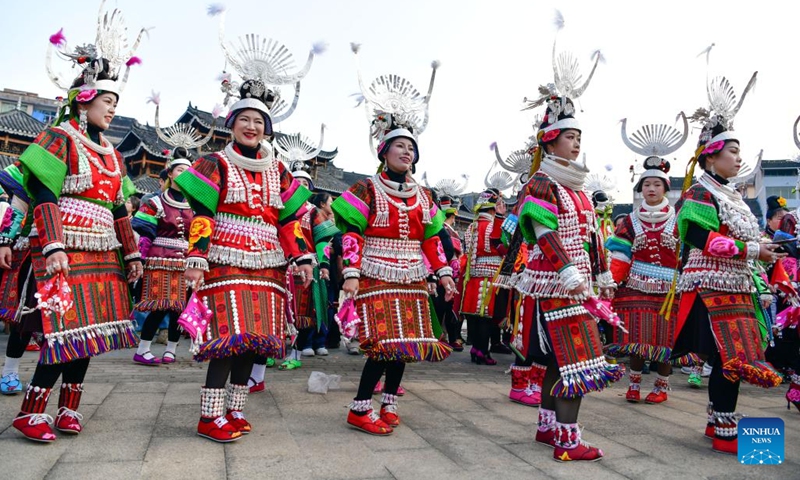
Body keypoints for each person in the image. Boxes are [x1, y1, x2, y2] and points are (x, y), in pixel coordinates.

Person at [11, 8, 146, 442]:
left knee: (89, 334)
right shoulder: (59, 137)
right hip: (64, 247)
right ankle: (31, 411)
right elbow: (45, 194)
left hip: (103, 249)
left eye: (115, 104)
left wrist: (132, 255)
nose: (112, 110)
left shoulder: (112, 153)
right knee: (60, 330)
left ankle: (69, 408)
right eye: (108, 102)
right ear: (84, 100)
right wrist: (52, 247)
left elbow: (120, 208)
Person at [512, 21, 621, 461]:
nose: (576, 144)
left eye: (579, 137)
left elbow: (591, 236)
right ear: (550, 139)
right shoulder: (542, 182)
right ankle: (567, 438)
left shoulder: (576, 188)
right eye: (570, 137)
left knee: (561, 359)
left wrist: (601, 273)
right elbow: (543, 231)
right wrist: (570, 271)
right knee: (573, 360)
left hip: (576, 283)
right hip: (556, 283)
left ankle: (547, 429)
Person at [334, 46, 453, 435]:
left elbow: (432, 239)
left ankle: (389, 403)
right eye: (400, 146)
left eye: (412, 148)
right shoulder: (365, 189)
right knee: (383, 344)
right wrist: (351, 272)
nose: (407, 151)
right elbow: (350, 232)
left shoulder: (424, 196)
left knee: (406, 345)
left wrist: (444, 273)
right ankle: (359, 407)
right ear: (383, 151)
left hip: (413, 276)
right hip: (376, 272)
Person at [672, 54, 782, 454]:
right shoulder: (700, 192)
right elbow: (704, 240)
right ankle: (725, 433)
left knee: (730, 359)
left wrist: (760, 264)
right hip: (710, 287)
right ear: (711, 155)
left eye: (739, 151)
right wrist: (754, 250)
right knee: (728, 358)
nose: (739, 158)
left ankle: (719, 424)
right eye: (732, 151)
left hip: (736, 286)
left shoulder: (732, 195)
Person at [606, 113, 688, 405]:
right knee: (637, 341)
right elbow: (619, 256)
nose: (651, 189)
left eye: (657, 184)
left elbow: (689, 254)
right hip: (635, 285)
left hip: (669, 290)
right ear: (640, 190)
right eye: (646, 185)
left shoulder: (680, 219)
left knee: (665, 340)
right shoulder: (628, 220)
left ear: (666, 188)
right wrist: (610, 283)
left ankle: (662, 386)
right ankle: (634, 384)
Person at [130, 150, 195, 365]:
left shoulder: (196, 205)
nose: (184, 173)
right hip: (159, 260)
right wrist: (139, 259)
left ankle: (171, 350)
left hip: (185, 262)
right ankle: (143, 349)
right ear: (171, 174)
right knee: (158, 307)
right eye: (180, 170)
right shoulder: (155, 202)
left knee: (179, 309)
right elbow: (145, 235)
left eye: (188, 170)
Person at [461, 188, 506, 365]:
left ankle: (476, 348)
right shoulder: (494, 225)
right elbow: (503, 247)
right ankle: (483, 351)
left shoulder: (471, 226)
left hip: (472, 275)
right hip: (491, 274)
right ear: (494, 207)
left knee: (473, 315)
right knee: (487, 317)